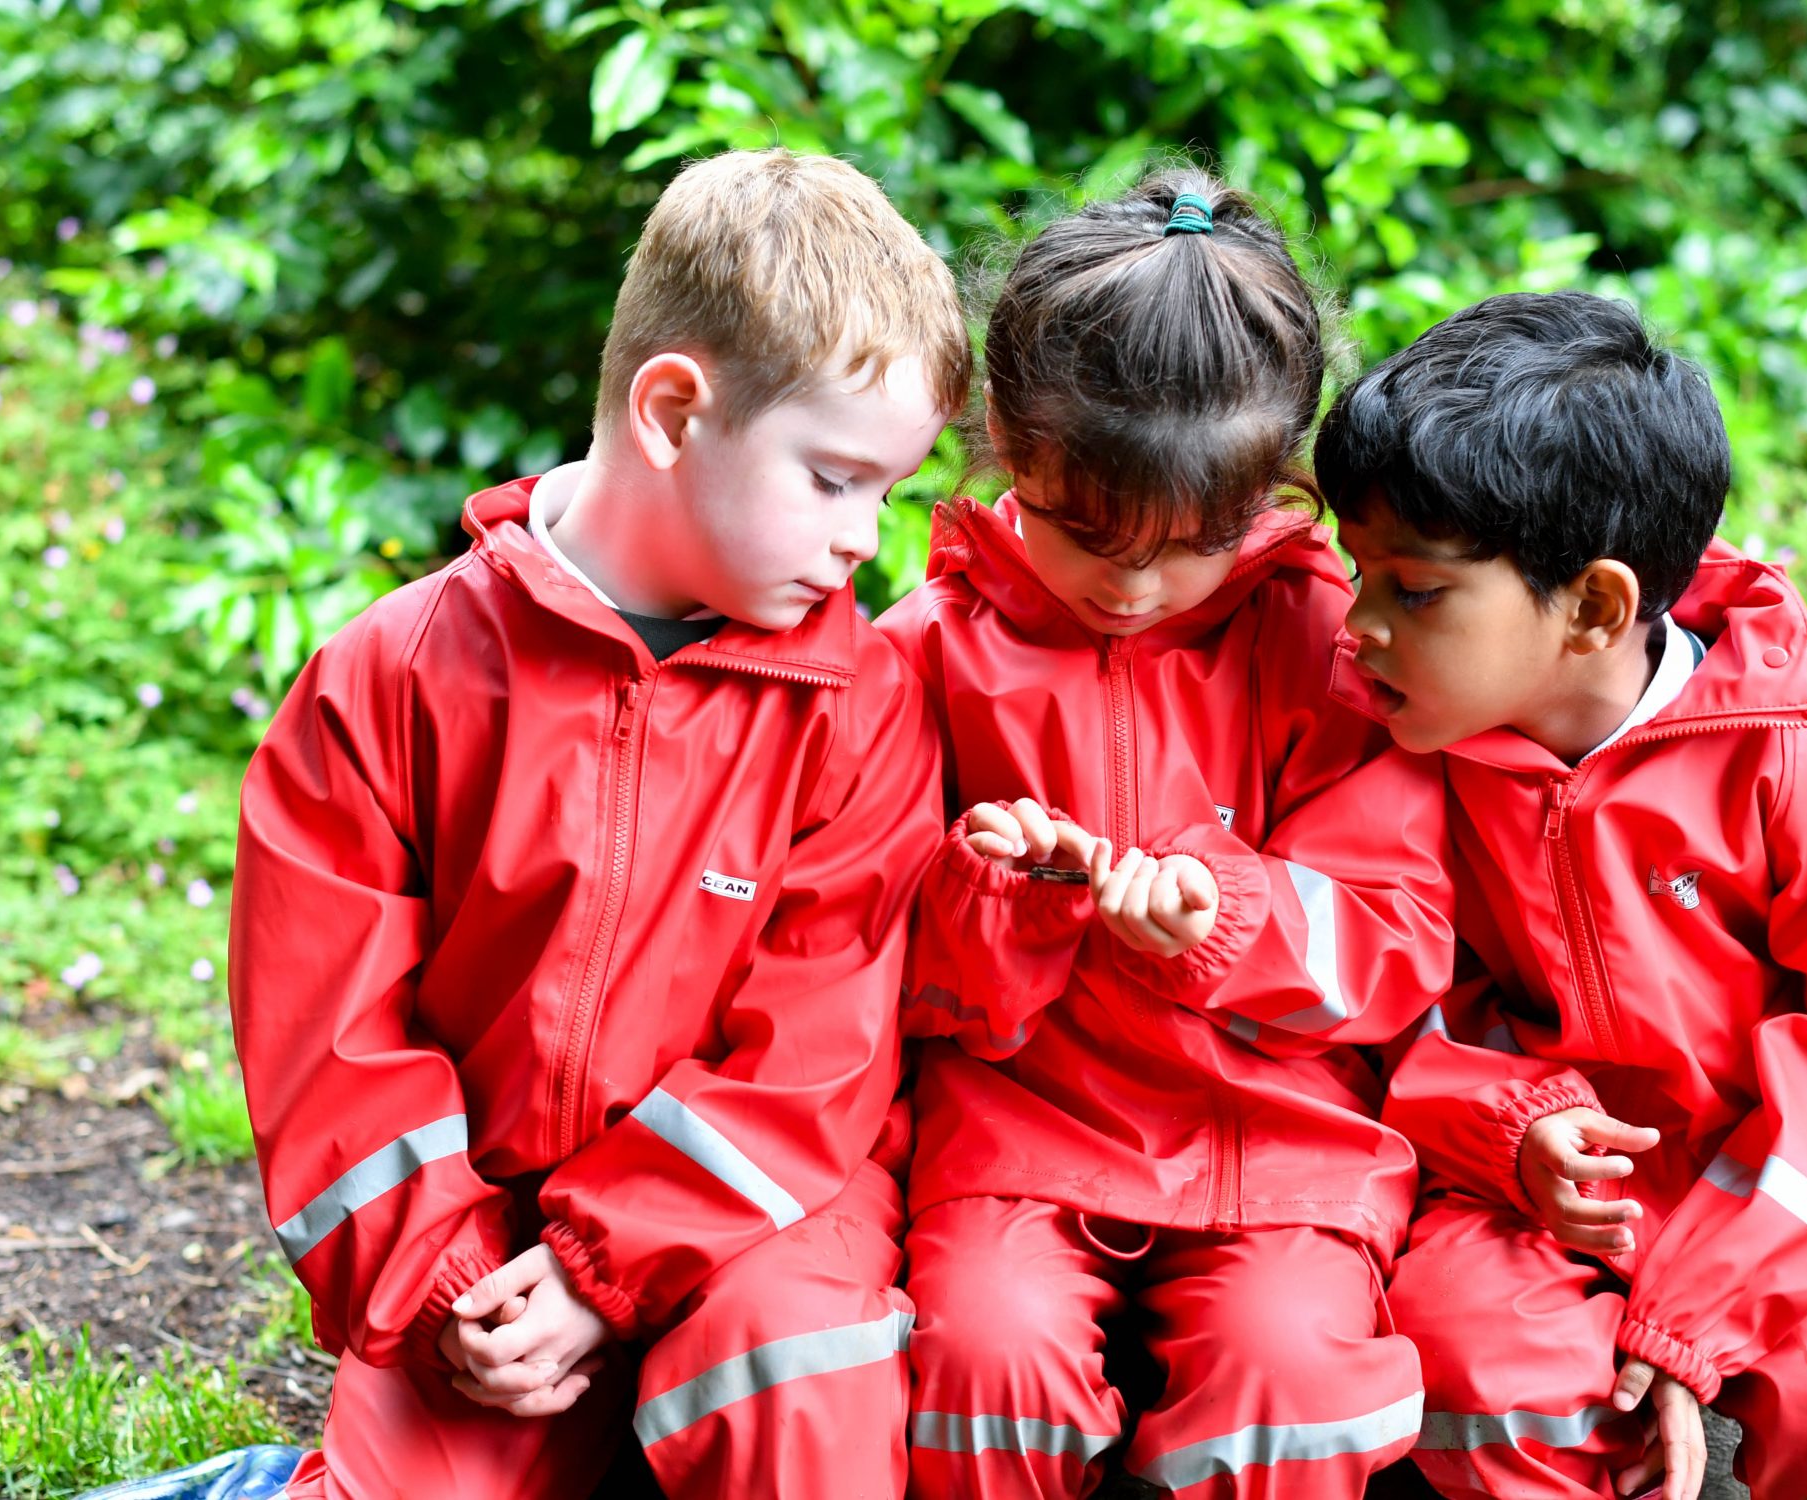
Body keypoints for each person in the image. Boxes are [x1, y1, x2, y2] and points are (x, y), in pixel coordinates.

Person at [88, 148, 969, 1500]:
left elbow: (814, 1057)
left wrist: (604, 1263)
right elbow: (333, 1046)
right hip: (481, 1267)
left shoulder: (861, 701)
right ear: (673, 410)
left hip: (756, 1236)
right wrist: (447, 1283)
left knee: (801, 1377)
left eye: (888, 494)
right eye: (835, 481)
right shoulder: (389, 680)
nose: (866, 540)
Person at [1319, 291, 1807, 1500]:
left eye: (1415, 590)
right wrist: (1512, 1129)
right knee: (1480, 1365)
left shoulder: (1791, 760)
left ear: (1595, 606)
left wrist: (1698, 1315)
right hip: (1520, 1187)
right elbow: (1400, 1008)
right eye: (1357, 572)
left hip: (1767, 1192)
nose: (1359, 624)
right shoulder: (1398, 752)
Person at [880, 170, 1455, 1500]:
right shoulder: (924, 653)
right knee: (982, 1353)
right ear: (1002, 450)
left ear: (1270, 484)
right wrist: (989, 900)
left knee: (1293, 1373)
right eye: (1082, 531)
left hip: (1279, 1141)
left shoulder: (1324, 645)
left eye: (1191, 544)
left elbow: (1398, 931)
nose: (1132, 584)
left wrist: (1230, 918)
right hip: (1013, 1135)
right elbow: (860, 950)